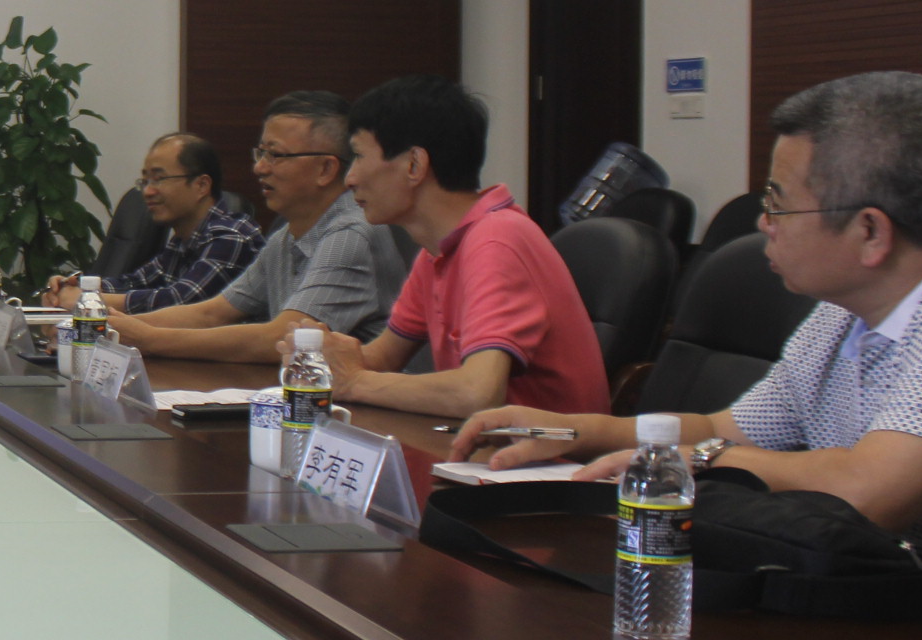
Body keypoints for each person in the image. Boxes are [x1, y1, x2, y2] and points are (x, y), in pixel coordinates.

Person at [460, 72, 922, 589]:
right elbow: (722, 429)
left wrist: (699, 461)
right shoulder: (845, 310)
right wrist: (573, 433)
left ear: (870, 232)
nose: (763, 223)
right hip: (902, 598)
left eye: (779, 204)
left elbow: (871, 493)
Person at [316, 74, 608, 417]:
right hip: (482, 443)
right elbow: (384, 357)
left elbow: (477, 393)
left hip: (545, 450)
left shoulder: (497, 241)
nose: (350, 178)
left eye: (359, 156)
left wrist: (354, 382)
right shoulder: (439, 247)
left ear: (414, 164)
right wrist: (322, 355)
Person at [105, 91, 407, 359]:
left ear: (326, 168)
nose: (259, 168)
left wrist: (149, 338)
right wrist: (109, 324)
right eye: (261, 153)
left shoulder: (349, 234)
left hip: (353, 401)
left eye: (275, 155)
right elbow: (212, 313)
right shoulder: (285, 237)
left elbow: (283, 336)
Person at [42, 132, 262, 312]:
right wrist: (74, 286)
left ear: (201, 185)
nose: (147, 192)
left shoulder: (231, 236)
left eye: (159, 179)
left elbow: (180, 301)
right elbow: (133, 283)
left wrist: (87, 299)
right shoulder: (181, 241)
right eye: (145, 181)